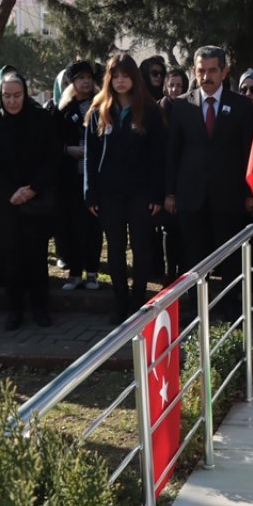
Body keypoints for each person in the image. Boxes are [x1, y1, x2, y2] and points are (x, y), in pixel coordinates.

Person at [164, 46, 253, 323]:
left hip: (228, 196)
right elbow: (172, 152)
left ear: (224, 71)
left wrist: (251, 194)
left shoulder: (241, 106)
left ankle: (231, 308)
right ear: (194, 71)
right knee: (194, 256)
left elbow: (248, 152)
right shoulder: (180, 105)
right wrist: (169, 192)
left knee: (229, 257)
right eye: (201, 70)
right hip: (191, 196)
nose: (206, 76)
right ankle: (197, 309)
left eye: (212, 70)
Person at [84, 54, 167, 324]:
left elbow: (159, 156)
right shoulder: (99, 110)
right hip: (109, 194)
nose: (120, 81)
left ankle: (137, 300)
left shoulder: (150, 111)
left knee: (141, 248)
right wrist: (90, 192)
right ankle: (119, 301)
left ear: (134, 78)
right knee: (116, 248)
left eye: (125, 75)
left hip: (141, 193)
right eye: (115, 76)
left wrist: (157, 193)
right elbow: (90, 156)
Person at [0, 71, 56, 330]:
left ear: (25, 94)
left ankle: (40, 308)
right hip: (6, 203)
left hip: (35, 198)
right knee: (11, 259)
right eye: (7, 96)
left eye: (17, 95)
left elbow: (52, 159)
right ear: (0, 96)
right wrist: (10, 192)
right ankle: (14, 310)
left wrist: (32, 188)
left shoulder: (42, 120)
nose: (12, 101)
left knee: (37, 258)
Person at [55, 60, 103, 292]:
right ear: (72, 82)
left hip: (94, 177)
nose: (85, 81)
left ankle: (92, 272)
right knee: (72, 226)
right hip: (70, 179)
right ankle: (74, 273)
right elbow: (53, 143)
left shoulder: (102, 106)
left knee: (93, 227)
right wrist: (67, 150)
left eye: (88, 77)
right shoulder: (64, 109)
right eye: (80, 78)